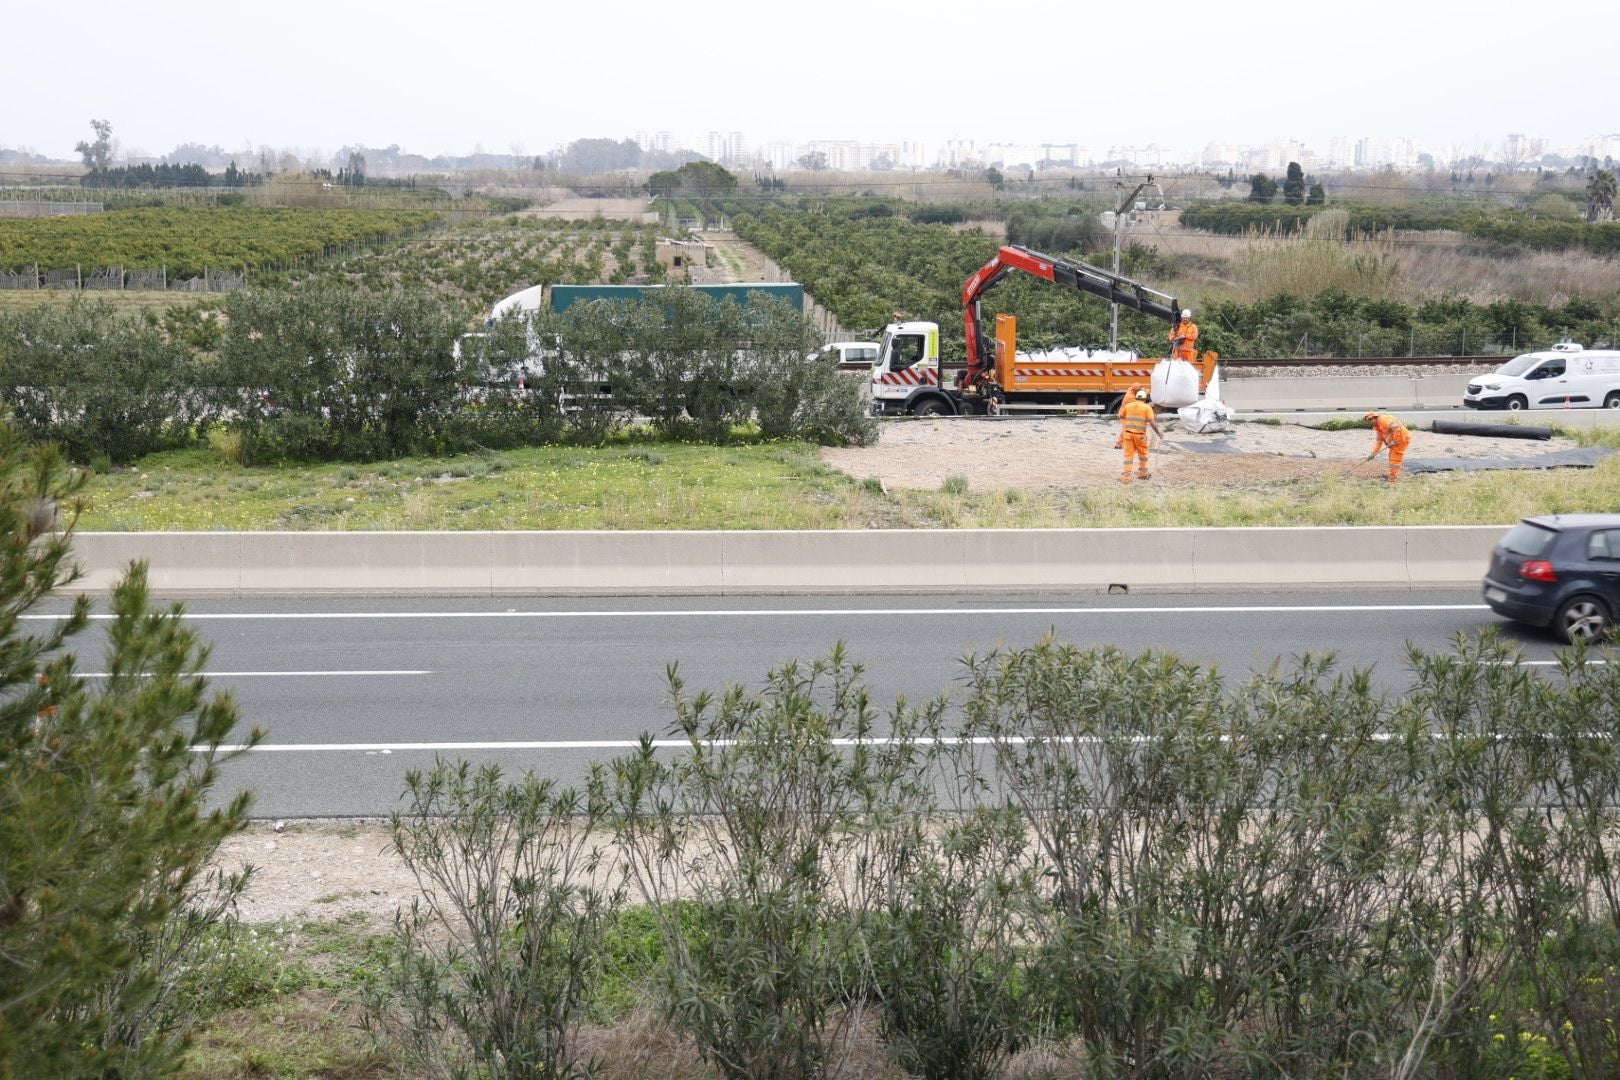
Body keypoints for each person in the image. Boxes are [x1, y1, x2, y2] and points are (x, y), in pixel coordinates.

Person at [1119, 389, 1164, 484]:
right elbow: (1152, 422)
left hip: (1128, 434)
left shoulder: (1128, 406)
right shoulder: (1147, 408)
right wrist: (1158, 433)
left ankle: (1126, 477)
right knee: (1143, 455)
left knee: (1128, 456)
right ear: (1144, 398)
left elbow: (1121, 416)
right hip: (1140, 436)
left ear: (1136, 397)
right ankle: (1143, 474)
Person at [1364, 410, 1412, 482]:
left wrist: (1395, 439)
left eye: (1370, 420)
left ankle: (1392, 479)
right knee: (1391, 457)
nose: (1369, 422)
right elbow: (1379, 442)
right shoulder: (1377, 427)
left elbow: (1397, 428)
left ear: (1374, 417)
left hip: (1401, 440)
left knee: (1395, 460)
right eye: (1368, 420)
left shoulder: (1384, 420)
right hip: (1395, 442)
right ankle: (1392, 475)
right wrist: (1373, 453)